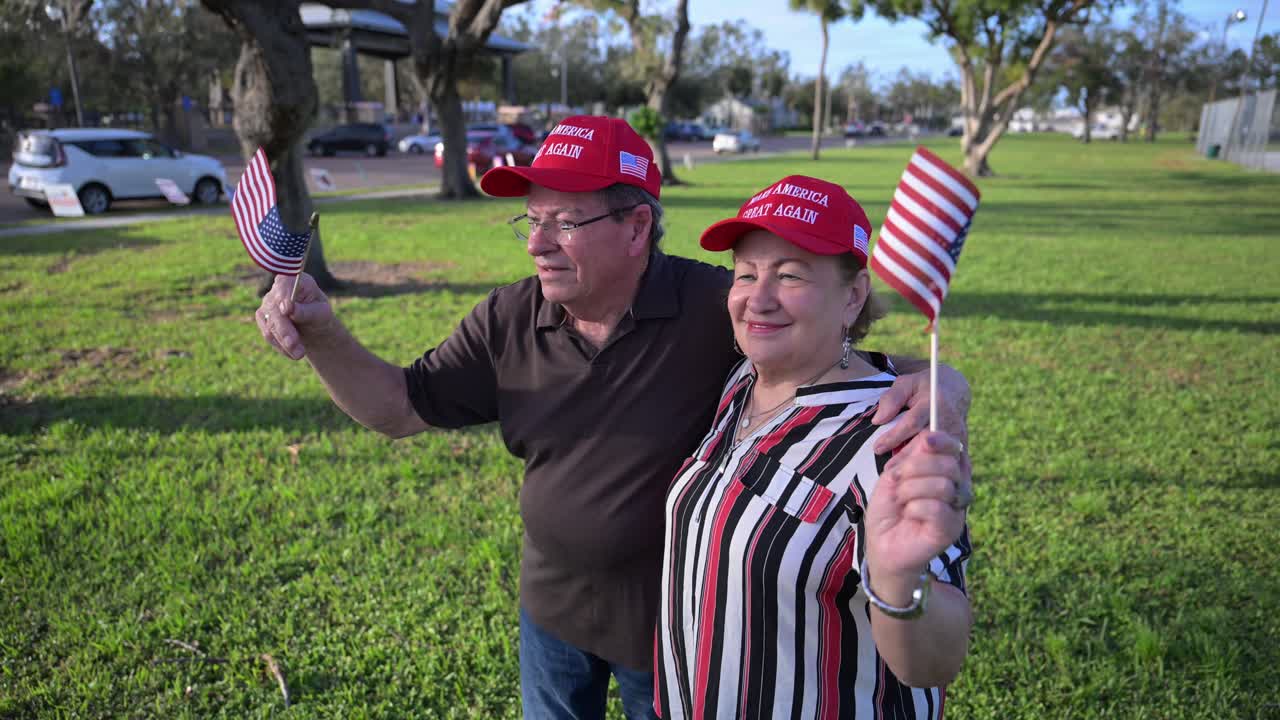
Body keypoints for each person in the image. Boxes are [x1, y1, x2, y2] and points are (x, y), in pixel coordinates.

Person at [254, 116, 971, 719]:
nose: (536, 242)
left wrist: (943, 381)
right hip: (552, 612)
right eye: (532, 220)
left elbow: (829, 359)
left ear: (636, 228)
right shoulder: (510, 316)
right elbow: (397, 407)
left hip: (670, 637)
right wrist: (322, 332)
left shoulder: (710, 306)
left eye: (564, 222)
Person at [655, 175, 972, 719]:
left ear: (853, 295)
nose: (758, 298)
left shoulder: (892, 435)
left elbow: (933, 665)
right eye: (746, 274)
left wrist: (898, 581)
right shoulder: (743, 382)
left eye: (790, 275)